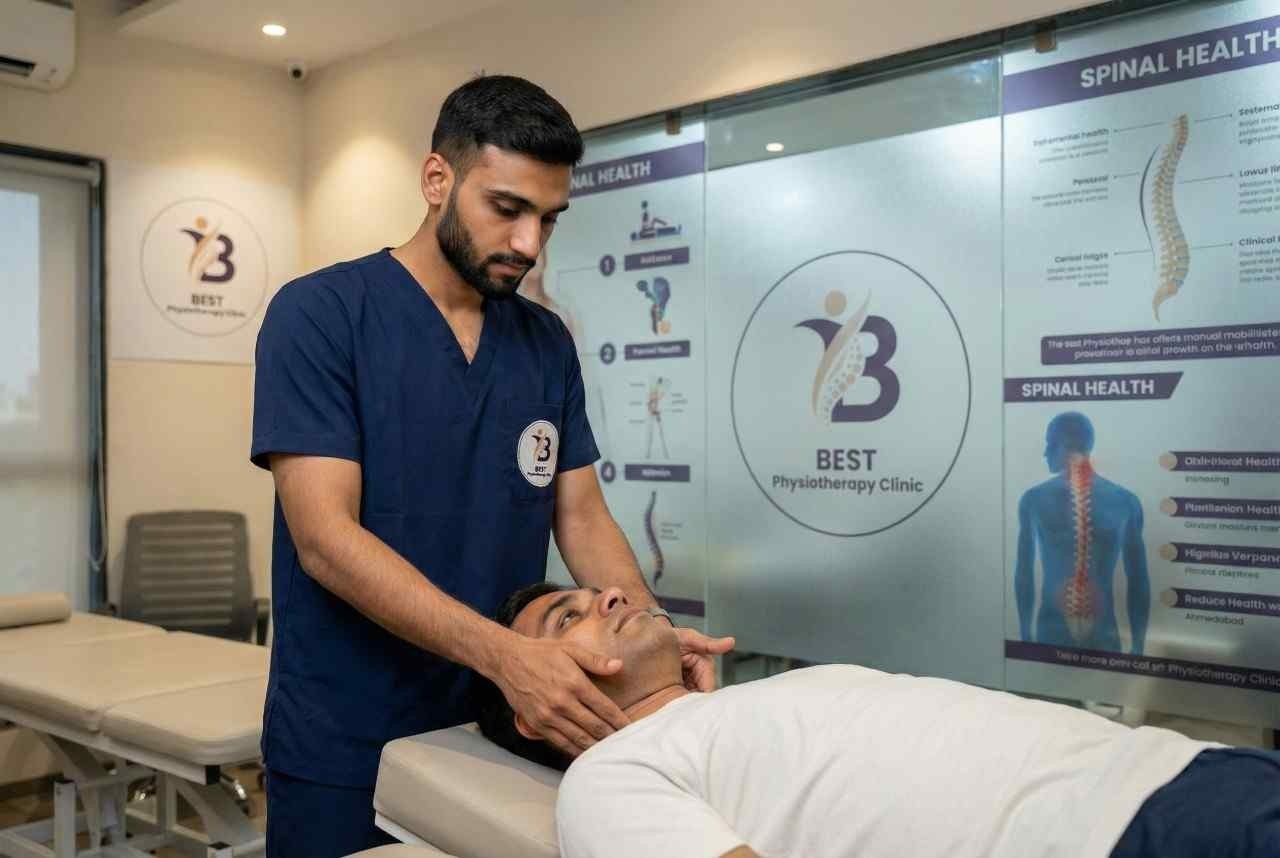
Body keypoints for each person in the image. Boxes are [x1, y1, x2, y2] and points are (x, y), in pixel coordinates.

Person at [249, 75, 733, 857]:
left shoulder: (544, 343)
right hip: (346, 729)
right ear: (437, 179)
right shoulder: (321, 315)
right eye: (506, 209)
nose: (528, 244)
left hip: (506, 729)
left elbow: (580, 516)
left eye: (548, 218)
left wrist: (653, 635)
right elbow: (324, 539)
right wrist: (509, 657)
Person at [475, 582, 1280, 858]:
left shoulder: (744, 708)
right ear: (536, 704)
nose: (609, 594)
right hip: (1111, 839)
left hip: (1186, 769)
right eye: (568, 617)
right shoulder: (611, 778)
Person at [1016, 411, 1150, 654]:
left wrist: (1025, 635)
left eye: (1050, 444)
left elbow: (1023, 573)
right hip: (1099, 636)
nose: (1046, 452)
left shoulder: (1034, 499)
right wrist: (1138, 646)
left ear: (1064, 445)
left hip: (1055, 634)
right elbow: (1138, 580)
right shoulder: (1126, 501)